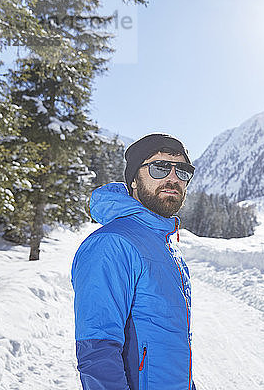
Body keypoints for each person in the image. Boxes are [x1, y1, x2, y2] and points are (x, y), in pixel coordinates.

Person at [72, 133, 197, 390]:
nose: (173, 178)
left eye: (182, 170)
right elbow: (97, 352)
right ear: (133, 182)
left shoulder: (166, 246)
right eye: (160, 167)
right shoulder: (112, 243)